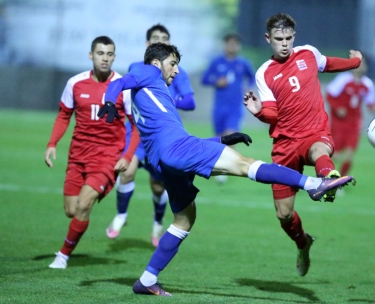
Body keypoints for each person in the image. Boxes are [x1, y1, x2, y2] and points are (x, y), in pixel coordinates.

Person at [97, 42, 354, 296]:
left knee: (184, 220)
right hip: (178, 149)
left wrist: (221, 140)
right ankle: (314, 184)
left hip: (165, 160)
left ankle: (147, 279)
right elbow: (116, 84)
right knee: (246, 165)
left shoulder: (150, 97)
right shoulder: (149, 71)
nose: (175, 71)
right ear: (157, 63)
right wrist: (109, 102)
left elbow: (169, 137)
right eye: (173, 64)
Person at [243, 13, 361, 278]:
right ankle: (303, 243)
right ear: (268, 39)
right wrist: (258, 111)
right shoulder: (264, 73)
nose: (284, 44)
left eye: (288, 38)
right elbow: (272, 114)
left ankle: (327, 179)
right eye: (278, 39)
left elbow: (328, 63)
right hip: (285, 145)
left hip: (314, 132)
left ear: (294, 37)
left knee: (320, 149)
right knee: (284, 215)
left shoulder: (308, 53)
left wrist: (355, 61)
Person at [44, 36, 140, 269]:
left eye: (109, 54)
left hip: (108, 157)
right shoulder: (75, 83)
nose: (105, 58)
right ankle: (70, 242)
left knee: (85, 203)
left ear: (114, 57)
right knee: (72, 210)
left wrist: (126, 157)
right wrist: (52, 143)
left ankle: (63, 255)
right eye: (100, 53)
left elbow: (137, 126)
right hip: (78, 155)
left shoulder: (123, 86)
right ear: (91, 55)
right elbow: (64, 115)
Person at [105, 24, 196, 247]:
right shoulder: (139, 67)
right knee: (126, 171)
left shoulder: (177, 72)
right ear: (148, 45)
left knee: (158, 186)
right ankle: (121, 215)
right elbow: (124, 86)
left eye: (165, 38)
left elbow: (191, 102)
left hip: (161, 136)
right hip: (138, 132)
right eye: (157, 38)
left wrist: (166, 100)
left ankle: (157, 223)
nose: (162, 42)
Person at [201, 33, 255, 183]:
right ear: (224, 45)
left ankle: (227, 169)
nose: (232, 46)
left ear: (239, 46)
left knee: (230, 135)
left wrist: (248, 86)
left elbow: (252, 76)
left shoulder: (243, 63)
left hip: (235, 108)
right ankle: (221, 166)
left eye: (235, 44)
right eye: (229, 43)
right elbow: (205, 79)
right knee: (220, 139)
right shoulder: (216, 62)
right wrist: (216, 81)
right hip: (219, 108)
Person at [326, 57, 375, 178]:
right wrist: (337, 108)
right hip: (339, 123)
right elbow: (329, 95)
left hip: (355, 123)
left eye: (363, 64)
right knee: (336, 155)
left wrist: (374, 111)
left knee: (349, 155)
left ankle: (338, 183)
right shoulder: (343, 79)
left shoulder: (368, 84)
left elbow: (371, 103)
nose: (360, 67)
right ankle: (326, 177)